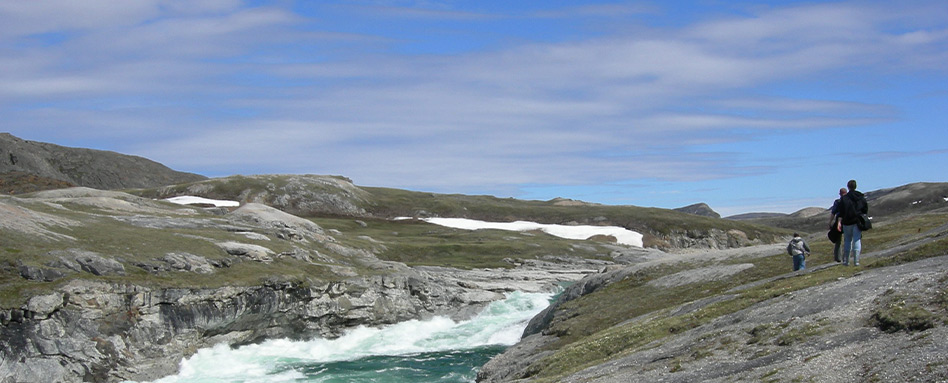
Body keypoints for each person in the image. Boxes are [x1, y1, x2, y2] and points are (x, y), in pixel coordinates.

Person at [837, 179, 868, 266]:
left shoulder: (844, 198)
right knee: (857, 239)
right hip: (857, 221)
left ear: (848, 187)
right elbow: (865, 208)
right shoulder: (860, 197)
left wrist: (839, 222)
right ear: (856, 186)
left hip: (847, 222)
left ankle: (846, 261)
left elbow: (841, 212)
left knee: (847, 240)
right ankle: (856, 261)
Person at [828, 188, 847, 262]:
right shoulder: (849, 200)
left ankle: (838, 258)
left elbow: (833, 213)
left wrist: (830, 222)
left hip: (839, 221)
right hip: (849, 220)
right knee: (847, 239)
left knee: (838, 240)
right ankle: (846, 256)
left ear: (840, 194)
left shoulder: (837, 202)